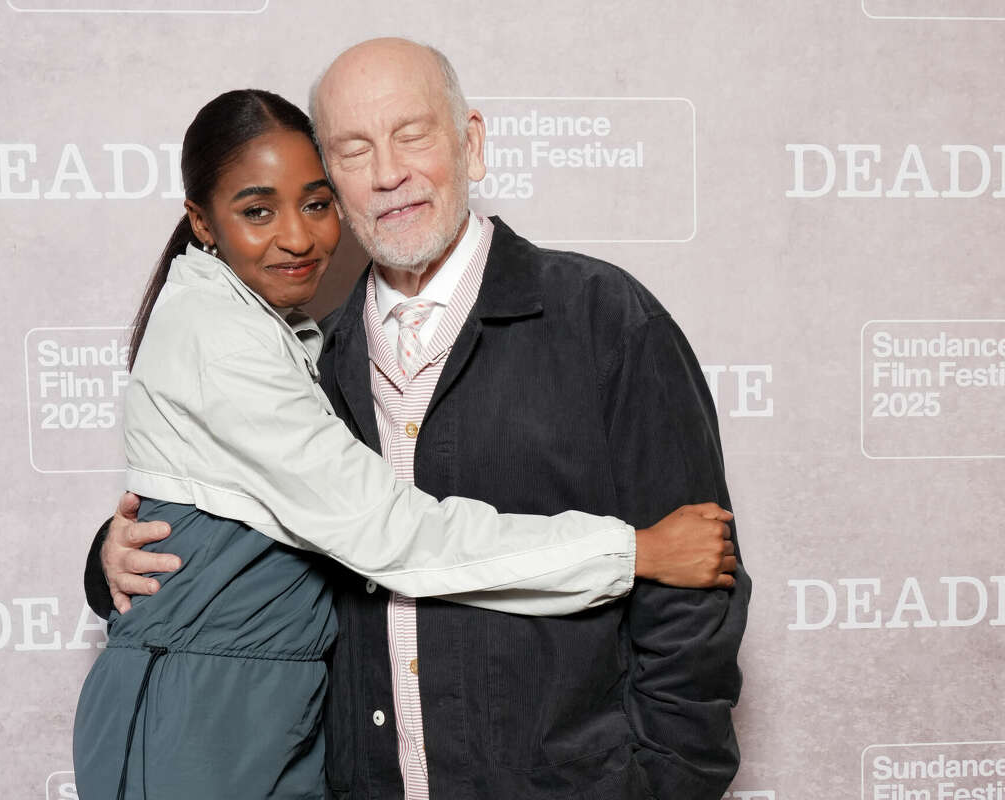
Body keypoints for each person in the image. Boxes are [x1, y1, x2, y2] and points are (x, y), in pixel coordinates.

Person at [74, 88, 737, 800]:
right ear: (201, 221)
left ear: (469, 143)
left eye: (317, 201)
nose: (297, 236)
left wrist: (670, 782)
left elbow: (695, 617)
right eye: (258, 210)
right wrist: (635, 551)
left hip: (274, 725)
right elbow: (389, 533)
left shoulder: (604, 318)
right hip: (214, 729)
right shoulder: (290, 345)